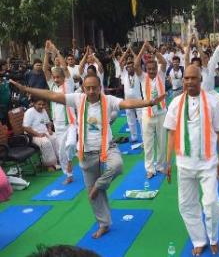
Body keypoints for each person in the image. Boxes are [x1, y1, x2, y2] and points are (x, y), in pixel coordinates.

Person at [11, 75, 165, 239]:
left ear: (100, 88)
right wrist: (26, 89)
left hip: (107, 148)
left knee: (118, 166)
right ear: (83, 88)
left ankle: (99, 185)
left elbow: (127, 103)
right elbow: (52, 95)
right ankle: (104, 224)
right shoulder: (78, 99)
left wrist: (148, 103)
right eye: (88, 88)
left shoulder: (108, 100)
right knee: (94, 197)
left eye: (94, 88)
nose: (91, 91)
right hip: (86, 153)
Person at [164, 65, 219, 256]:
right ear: (183, 80)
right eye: (186, 78)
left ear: (201, 80)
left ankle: (214, 237)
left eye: (194, 78)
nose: (190, 81)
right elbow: (171, 134)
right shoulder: (175, 103)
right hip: (184, 163)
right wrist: (167, 163)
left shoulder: (212, 101)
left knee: (211, 204)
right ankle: (199, 240)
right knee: (186, 205)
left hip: (208, 163)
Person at [43, 41, 77, 183]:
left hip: (71, 123)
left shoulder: (68, 84)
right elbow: (45, 69)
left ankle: (70, 160)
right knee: (61, 152)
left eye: (58, 77)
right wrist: (46, 53)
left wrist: (56, 51)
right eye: (54, 77)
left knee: (70, 145)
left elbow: (64, 66)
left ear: (64, 77)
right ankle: (68, 175)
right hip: (59, 124)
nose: (56, 79)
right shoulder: (52, 86)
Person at [135, 41, 168, 178]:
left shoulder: (161, 75)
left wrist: (153, 51)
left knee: (161, 142)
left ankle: (160, 166)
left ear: (156, 68)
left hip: (161, 114)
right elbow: (136, 64)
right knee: (148, 143)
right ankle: (150, 169)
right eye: (149, 70)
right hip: (147, 115)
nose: (152, 71)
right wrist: (143, 48)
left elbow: (164, 62)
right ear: (146, 70)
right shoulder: (143, 78)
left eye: (154, 69)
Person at [23, 97, 59, 171]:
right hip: (32, 135)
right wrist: (38, 134)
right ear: (33, 104)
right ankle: (50, 164)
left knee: (55, 138)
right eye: (39, 104)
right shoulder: (29, 112)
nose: (41, 106)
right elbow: (25, 127)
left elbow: (48, 122)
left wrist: (49, 129)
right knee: (46, 142)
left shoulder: (43, 110)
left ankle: (59, 160)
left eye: (43, 104)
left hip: (44, 132)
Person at [120, 59, 143, 143]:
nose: (129, 68)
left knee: (141, 119)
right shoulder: (124, 75)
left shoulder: (138, 74)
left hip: (138, 101)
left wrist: (131, 51)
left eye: (131, 66)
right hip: (128, 101)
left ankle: (144, 137)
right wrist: (126, 52)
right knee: (130, 120)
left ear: (134, 67)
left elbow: (138, 60)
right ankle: (134, 136)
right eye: (128, 67)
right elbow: (121, 62)